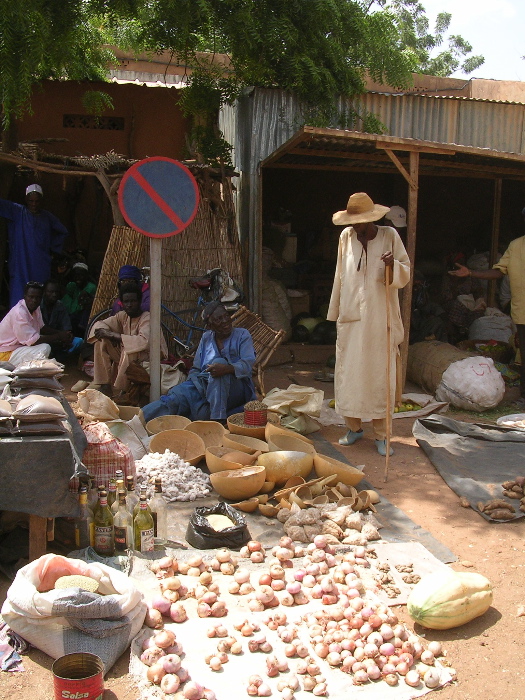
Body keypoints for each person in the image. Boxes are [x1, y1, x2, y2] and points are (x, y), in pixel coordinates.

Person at [327, 192, 410, 456]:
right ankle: (353, 428)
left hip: (380, 318)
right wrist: (336, 310)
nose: (356, 226)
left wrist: (392, 265)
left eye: (360, 221)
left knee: (379, 375)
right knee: (350, 374)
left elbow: (406, 271)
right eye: (353, 221)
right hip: (351, 317)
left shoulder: (389, 236)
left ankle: (382, 435)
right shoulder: (346, 237)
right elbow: (340, 275)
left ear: (372, 219)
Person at [449, 214, 525, 405]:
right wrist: (472, 273)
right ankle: (523, 397)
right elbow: (499, 271)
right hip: (522, 312)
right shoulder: (516, 246)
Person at [142, 301, 256, 424]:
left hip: (235, 389)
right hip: (205, 387)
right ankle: (138, 420)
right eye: (219, 319)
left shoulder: (242, 335)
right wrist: (194, 389)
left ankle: (217, 420)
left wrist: (226, 369)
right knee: (177, 397)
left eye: (226, 316)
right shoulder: (207, 338)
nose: (225, 321)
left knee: (218, 366)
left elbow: (247, 365)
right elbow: (196, 369)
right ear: (210, 326)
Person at [87, 282, 164, 397]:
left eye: (133, 301)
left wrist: (115, 336)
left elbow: (144, 341)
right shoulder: (122, 316)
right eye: (126, 302)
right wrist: (108, 334)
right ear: (122, 303)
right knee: (101, 339)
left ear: (139, 301)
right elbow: (99, 325)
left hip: (150, 356)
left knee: (129, 351)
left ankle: (120, 390)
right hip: (129, 355)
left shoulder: (147, 318)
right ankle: (104, 384)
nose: (129, 305)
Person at [0, 184, 69, 308]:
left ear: (41, 201)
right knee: (18, 300)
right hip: (20, 265)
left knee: (39, 300)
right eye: (31, 201)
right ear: (26, 200)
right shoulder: (17, 211)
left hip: (40, 266)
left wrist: (52, 249)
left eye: (37, 201)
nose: (34, 204)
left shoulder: (47, 217)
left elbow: (62, 232)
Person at [0, 281, 72, 366]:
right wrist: (59, 336)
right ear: (25, 296)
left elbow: (42, 328)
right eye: (31, 297)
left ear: (41, 298)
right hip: (5, 353)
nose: (34, 300)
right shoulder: (19, 313)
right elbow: (33, 341)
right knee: (45, 348)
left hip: (19, 348)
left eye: (37, 297)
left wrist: (61, 334)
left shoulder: (35, 308)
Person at [40, 280, 83, 356]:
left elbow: (67, 328)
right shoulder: (38, 306)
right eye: (51, 292)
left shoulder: (60, 305)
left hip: (59, 339)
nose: (54, 295)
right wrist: (59, 335)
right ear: (44, 292)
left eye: (56, 292)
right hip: (44, 339)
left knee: (79, 342)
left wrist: (68, 336)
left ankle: (62, 355)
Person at [61, 262, 97, 335]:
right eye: (76, 275)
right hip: (72, 314)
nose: (78, 277)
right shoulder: (72, 285)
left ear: (86, 276)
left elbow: (82, 298)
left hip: (83, 317)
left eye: (81, 275)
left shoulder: (91, 287)